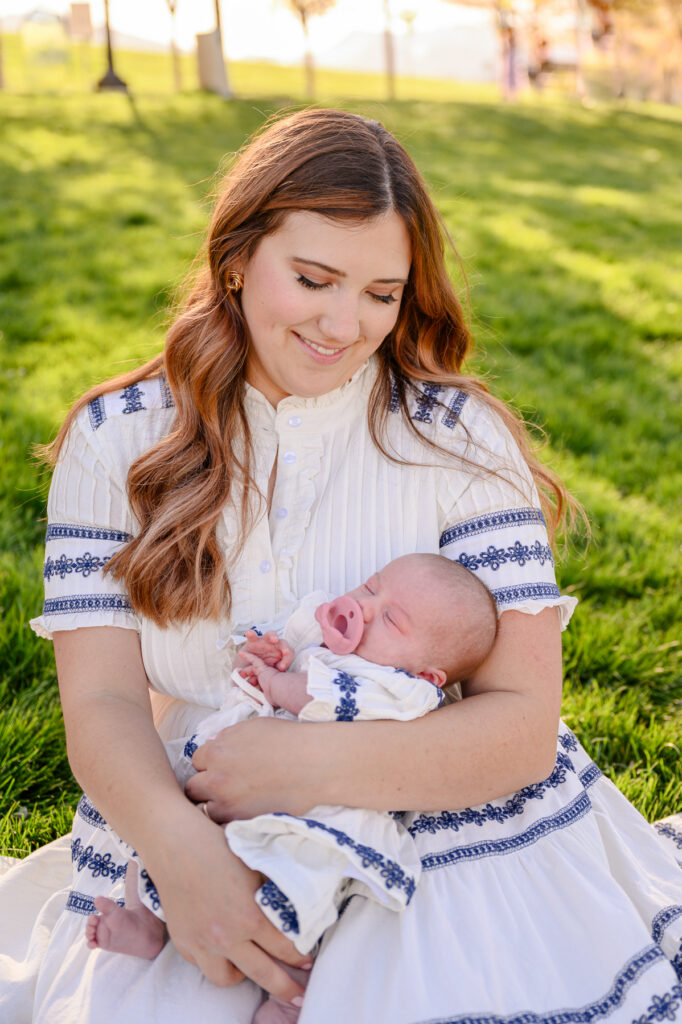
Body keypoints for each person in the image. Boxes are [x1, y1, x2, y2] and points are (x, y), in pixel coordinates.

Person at [0, 107, 680, 1024]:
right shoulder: (115, 441)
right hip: (188, 822)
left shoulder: (457, 439)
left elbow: (520, 726)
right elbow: (104, 704)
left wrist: (303, 765)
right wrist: (177, 851)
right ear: (236, 258)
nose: (343, 323)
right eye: (314, 278)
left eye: (380, 293)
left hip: (447, 817)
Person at [81, 555, 497, 1014]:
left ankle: (293, 987)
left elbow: (323, 699)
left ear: (427, 673)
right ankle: (145, 921)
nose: (367, 608)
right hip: (225, 780)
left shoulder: (401, 688)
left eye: (392, 619)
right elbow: (258, 693)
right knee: (158, 831)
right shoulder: (324, 647)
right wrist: (265, 663)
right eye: (370, 587)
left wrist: (280, 683)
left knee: (298, 885)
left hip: (306, 813)